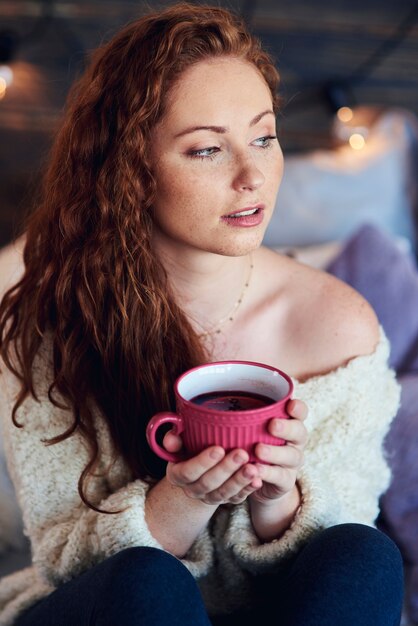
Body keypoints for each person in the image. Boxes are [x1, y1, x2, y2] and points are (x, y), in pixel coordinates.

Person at [0, 3, 404, 625]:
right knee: (146, 582)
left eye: (264, 136)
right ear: (129, 170)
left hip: (268, 611)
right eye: (207, 150)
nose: (254, 176)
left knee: (363, 554)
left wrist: (278, 499)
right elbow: (61, 559)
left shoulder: (337, 326)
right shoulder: (49, 327)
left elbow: (331, 556)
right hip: (112, 606)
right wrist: (179, 502)